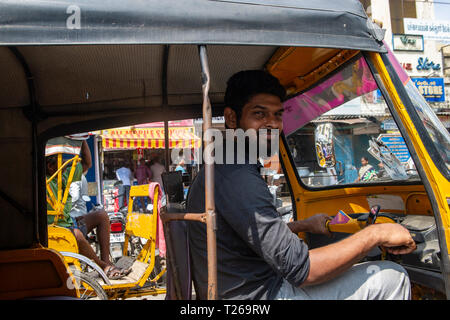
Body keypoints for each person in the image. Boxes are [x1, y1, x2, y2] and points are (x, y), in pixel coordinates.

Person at [186, 70, 416, 300]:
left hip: (250, 289)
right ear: (232, 118)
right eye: (259, 114)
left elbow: (251, 234)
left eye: (277, 115)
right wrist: (376, 234)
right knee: (392, 276)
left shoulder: (224, 163)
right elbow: (304, 271)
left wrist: (302, 225)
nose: (273, 125)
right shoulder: (238, 176)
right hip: (264, 296)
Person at [47, 140, 131, 279]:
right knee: (77, 235)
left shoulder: (64, 175)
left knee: (102, 215)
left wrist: (82, 138)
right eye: (60, 162)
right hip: (55, 230)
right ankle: (103, 267)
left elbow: (87, 163)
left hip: (70, 222)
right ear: (50, 167)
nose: (64, 166)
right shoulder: (43, 181)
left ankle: (106, 260)